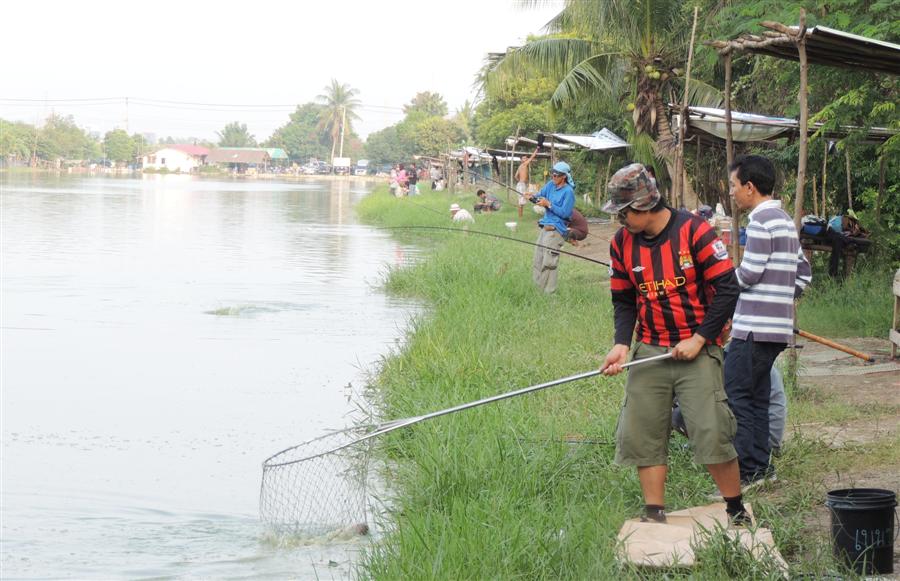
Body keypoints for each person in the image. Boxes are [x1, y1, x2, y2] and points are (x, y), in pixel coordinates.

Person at [601, 163, 750, 526]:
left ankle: (735, 509)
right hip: (650, 349)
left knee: (711, 429)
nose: (621, 221)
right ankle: (655, 513)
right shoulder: (621, 244)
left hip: (696, 348)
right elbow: (623, 299)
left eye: (624, 214)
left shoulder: (693, 231)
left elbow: (728, 287)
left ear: (644, 205)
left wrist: (700, 338)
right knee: (644, 431)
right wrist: (622, 345)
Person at [726, 154, 811, 487]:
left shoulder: (761, 220)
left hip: (754, 328)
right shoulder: (784, 219)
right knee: (758, 396)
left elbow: (749, 273)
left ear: (750, 186)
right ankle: (762, 469)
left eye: (734, 186)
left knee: (737, 394)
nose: (732, 193)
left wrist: (716, 286)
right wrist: (780, 297)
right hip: (774, 329)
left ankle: (748, 471)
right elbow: (804, 274)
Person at [531, 162, 575, 293]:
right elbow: (539, 195)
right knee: (538, 259)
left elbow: (566, 213)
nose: (553, 176)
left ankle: (549, 294)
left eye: (557, 175)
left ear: (564, 176)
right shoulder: (550, 185)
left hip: (556, 231)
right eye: (553, 173)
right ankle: (537, 291)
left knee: (549, 263)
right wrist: (532, 197)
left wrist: (549, 204)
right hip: (544, 228)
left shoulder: (568, 192)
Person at [516, 147, 539, 217]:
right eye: (524, 158)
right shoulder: (524, 164)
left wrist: (520, 182)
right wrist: (537, 149)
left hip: (521, 184)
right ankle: (520, 217)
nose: (525, 159)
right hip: (521, 185)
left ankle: (521, 217)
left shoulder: (520, 166)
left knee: (521, 202)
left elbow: (515, 176)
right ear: (521, 160)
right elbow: (532, 157)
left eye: (526, 158)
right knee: (521, 201)